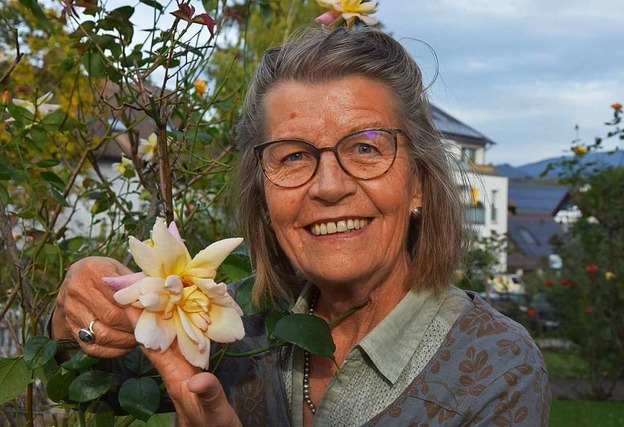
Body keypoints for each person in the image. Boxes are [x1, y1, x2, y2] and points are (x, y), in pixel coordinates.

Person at [51, 26, 550, 426]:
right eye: (292, 156)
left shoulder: (494, 368)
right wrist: (78, 306)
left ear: (418, 183)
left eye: (365, 147)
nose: (329, 186)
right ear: (264, 197)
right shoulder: (234, 323)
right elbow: (86, 371)